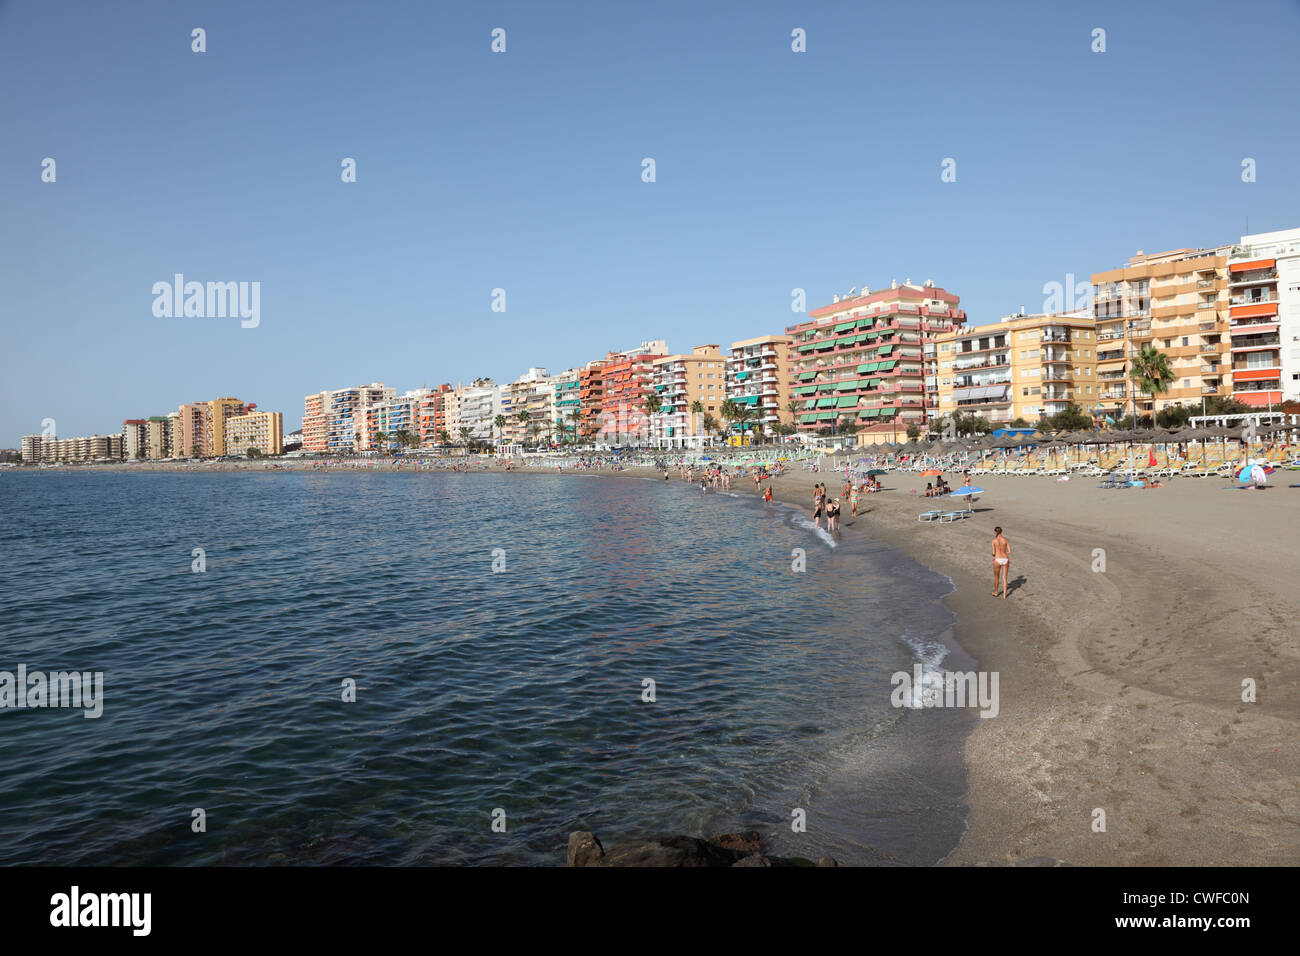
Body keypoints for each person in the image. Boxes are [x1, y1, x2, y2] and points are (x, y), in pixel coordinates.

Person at [991, 526, 1011, 599]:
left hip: (997, 559)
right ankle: (1004, 595)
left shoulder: (993, 541)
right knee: (1004, 577)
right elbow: (1009, 551)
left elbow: (993, 553)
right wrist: (1004, 552)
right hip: (1005, 559)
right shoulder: (1006, 540)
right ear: (1001, 532)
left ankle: (996, 592)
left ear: (995, 532)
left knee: (996, 577)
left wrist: (995, 553)